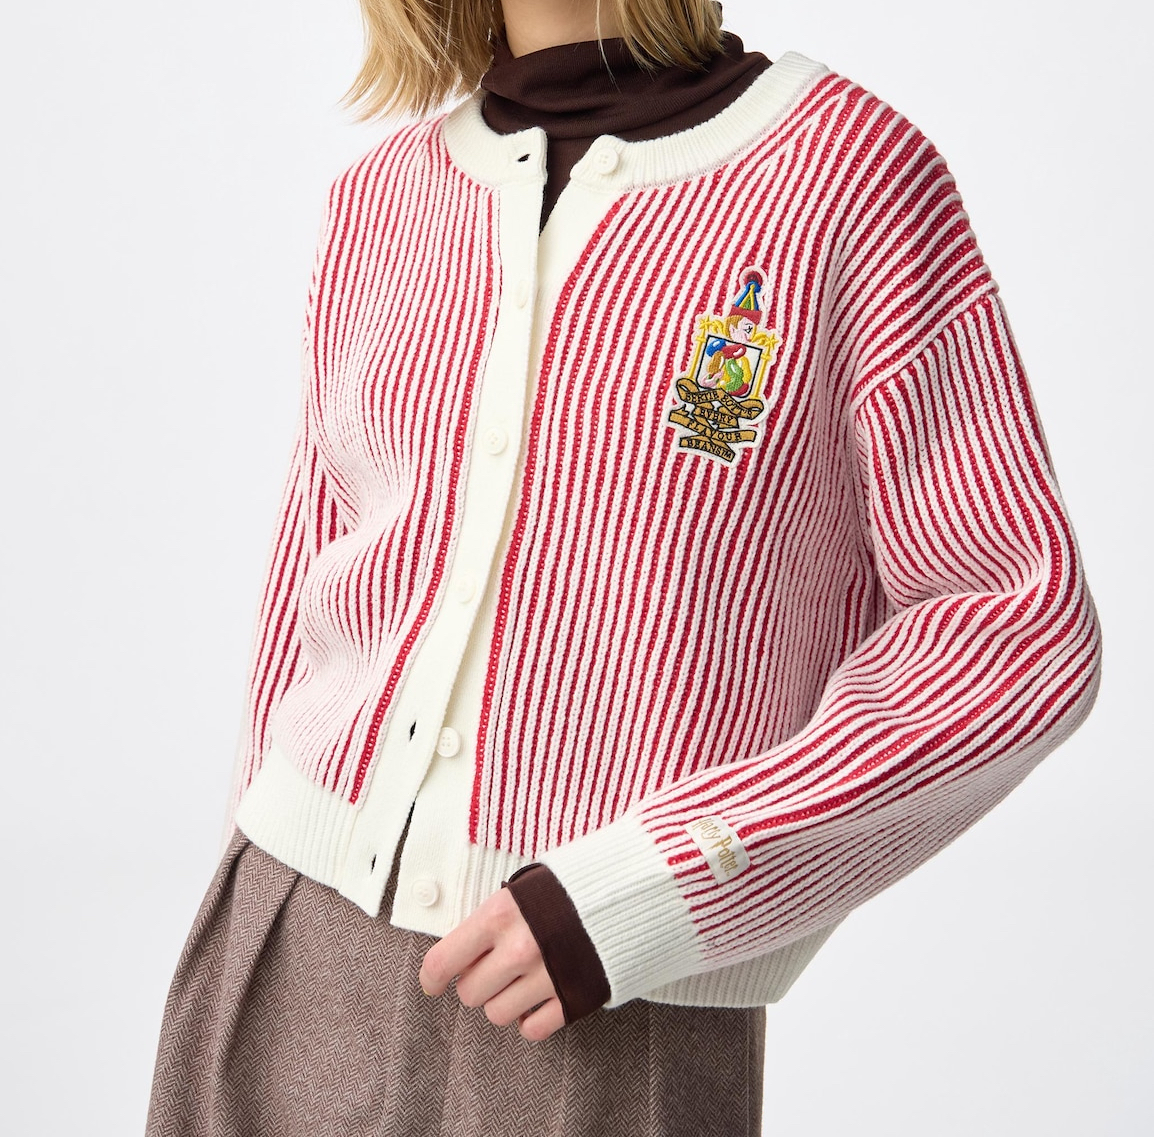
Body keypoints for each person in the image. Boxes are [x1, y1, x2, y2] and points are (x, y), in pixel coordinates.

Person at [144, 1, 1103, 1134]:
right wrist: (240, 866)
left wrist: (663, 880)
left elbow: (1016, 622)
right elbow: (308, 580)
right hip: (290, 942)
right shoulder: (378, 201)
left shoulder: (846, 179)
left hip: (602, 999)